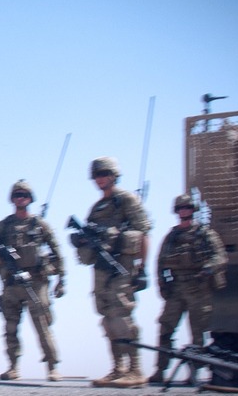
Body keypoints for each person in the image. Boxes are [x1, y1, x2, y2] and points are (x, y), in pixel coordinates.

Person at [69, 157, 151, 388]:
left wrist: (142, 269)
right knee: (106, 317)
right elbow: (88, 239)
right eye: (96, 175)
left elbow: (143, 233)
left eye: (104, 173)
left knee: (121, 314)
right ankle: (118, 368)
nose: (100, 178)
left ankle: (135, 369)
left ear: (114, 175)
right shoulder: (96, 208)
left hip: (122, 265)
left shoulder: (126, 200)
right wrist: (81, 239)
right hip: (101, 269)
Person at [0, 180, 66, 382]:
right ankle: (13, 367)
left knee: (42, 325)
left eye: (24, 195)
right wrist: (2, 260)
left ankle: (52, 367)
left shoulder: (39, 225)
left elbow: (57, 251)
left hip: (36, 282)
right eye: (16, 195)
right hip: (12, 283)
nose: (20, 198)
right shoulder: (3, 226)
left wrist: (61, 279)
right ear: (12, 199)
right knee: (10, 327)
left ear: (30, 198)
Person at [149, 194, 227, 384]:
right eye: (180, 208)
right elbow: (160, 264)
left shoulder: (206, 234)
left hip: (198, 289)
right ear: (176, 211)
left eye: (187, 207)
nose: (184, 211)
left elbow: (220, 257)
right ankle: (160, 371)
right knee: (165, 329)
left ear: (193, 210)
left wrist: (208, 270)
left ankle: (193, 373)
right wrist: (163, 286)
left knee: (197, 334)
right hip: (176, 290)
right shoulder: (171, 237)